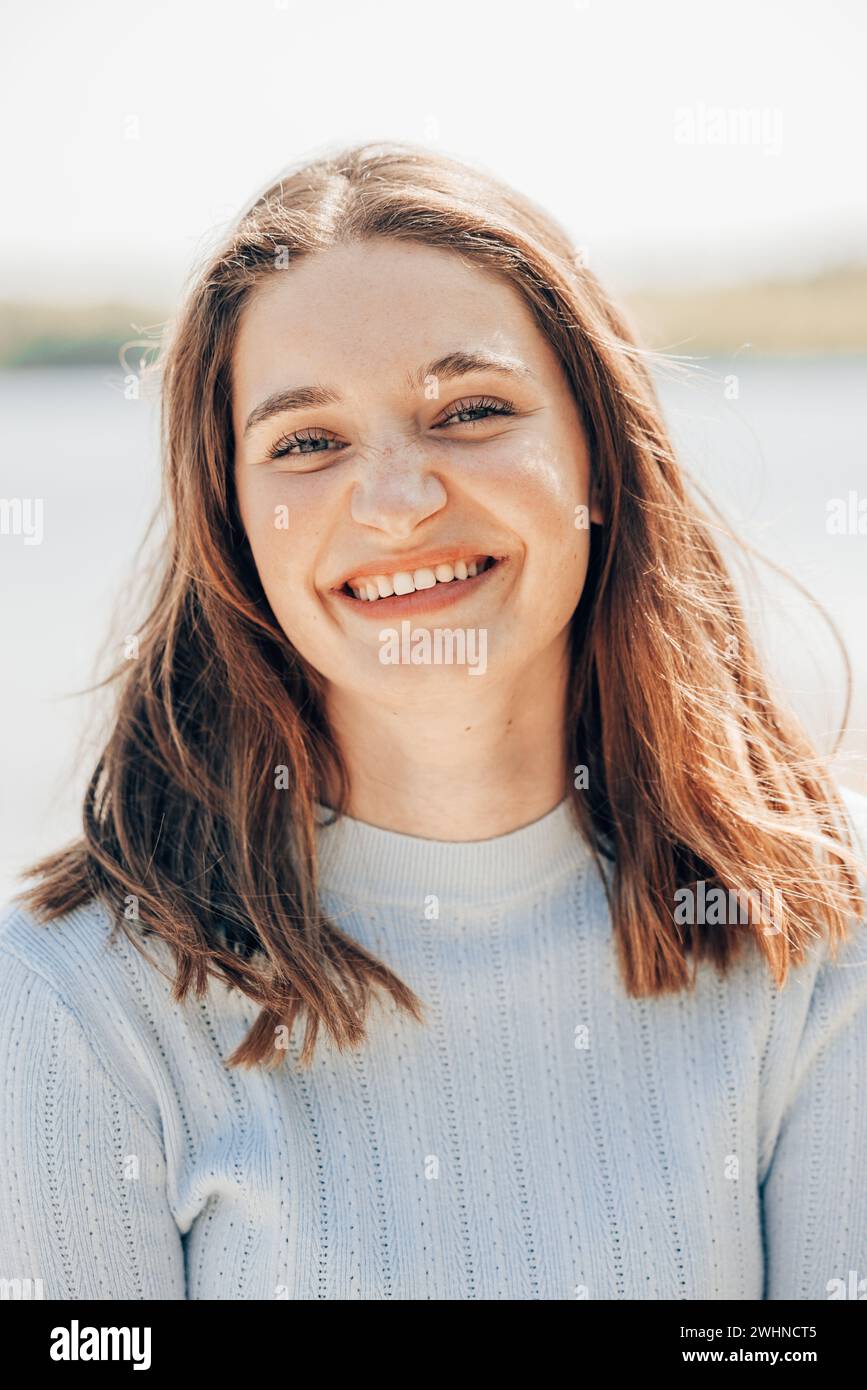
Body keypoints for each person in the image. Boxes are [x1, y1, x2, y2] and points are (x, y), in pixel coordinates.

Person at [1, 141, 865, 1301]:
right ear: (235, 522)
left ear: (597, 461)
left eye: (469, 409)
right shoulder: (73, 1005)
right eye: (306, 441)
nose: (399, 499)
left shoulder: (815, 931)